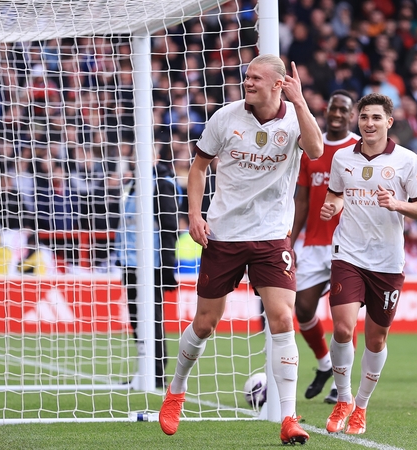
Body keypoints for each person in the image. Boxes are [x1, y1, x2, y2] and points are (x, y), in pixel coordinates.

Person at [158, 54, 323, 445]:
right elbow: (198, 167)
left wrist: (300, 103)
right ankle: (176, 390)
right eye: (246, 76)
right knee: (205, 324)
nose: (247, 82)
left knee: (283, 318)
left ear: (278, 84)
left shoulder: (294, 118)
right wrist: (194, 215)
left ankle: (288, 418)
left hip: (270, 236)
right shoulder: (226, 117)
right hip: (225, 234)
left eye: (255, 78)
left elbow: (315, 150)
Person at [320, 93, 417, 435]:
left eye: (375, 118)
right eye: (364, 117)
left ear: (389, 122)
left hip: (386, 260)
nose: (368, 123)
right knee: (341, 328)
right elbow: (336, 194)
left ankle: (362, 407)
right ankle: (343, 399)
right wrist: (333, 207)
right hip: (348, 254)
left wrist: (397, 204)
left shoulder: (407, 160)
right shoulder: (342, 158)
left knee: (376, 339)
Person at [291, 90, 359, 404]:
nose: (337, 113)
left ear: (351, 115)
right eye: (333, 108)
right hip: (316, 244)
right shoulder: (310, 146)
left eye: (344, 109)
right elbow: (302, 202)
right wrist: (288, 242)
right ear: (326, 110)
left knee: (344, 318)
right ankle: (324, 364)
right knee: (302, 308)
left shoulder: (359, 149)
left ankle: (339, 386)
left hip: (350, 245)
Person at [117, 151, 180, 390]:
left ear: (154, 156)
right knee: (136, 317)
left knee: (151, 317)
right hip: (130, 261)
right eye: (134, 155)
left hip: (151, 262)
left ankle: (156, 372)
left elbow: (169, 226)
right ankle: (145, 367)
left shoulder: (162, 184)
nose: (136, 159)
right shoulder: (132, 184)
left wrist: (166, 264)